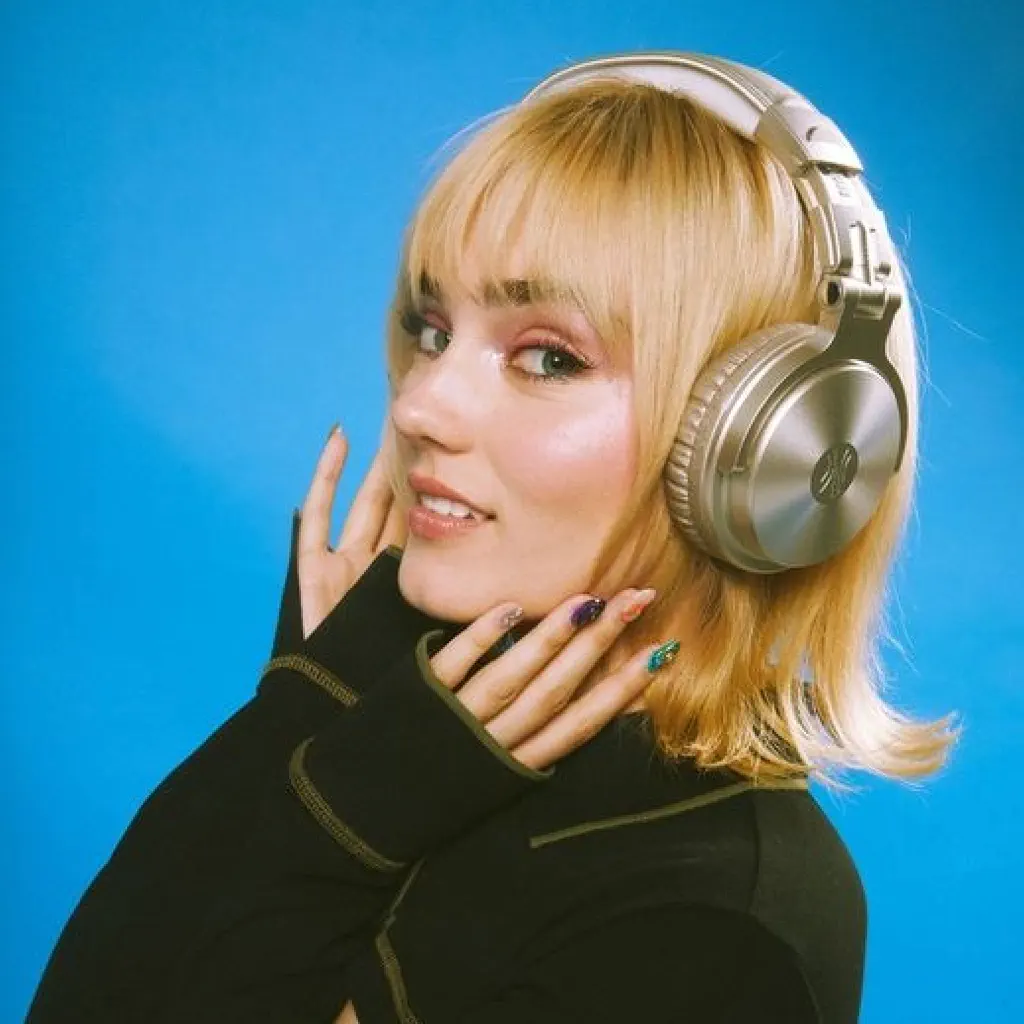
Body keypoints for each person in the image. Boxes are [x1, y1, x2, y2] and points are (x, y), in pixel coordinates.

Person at [27, 52, 956, 1024]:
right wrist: (309, 715)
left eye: (547, 357)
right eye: (432, 331)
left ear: (763, 446)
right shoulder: (405, 741)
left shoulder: (712, 920)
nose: (419, 404)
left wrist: (334, 812)